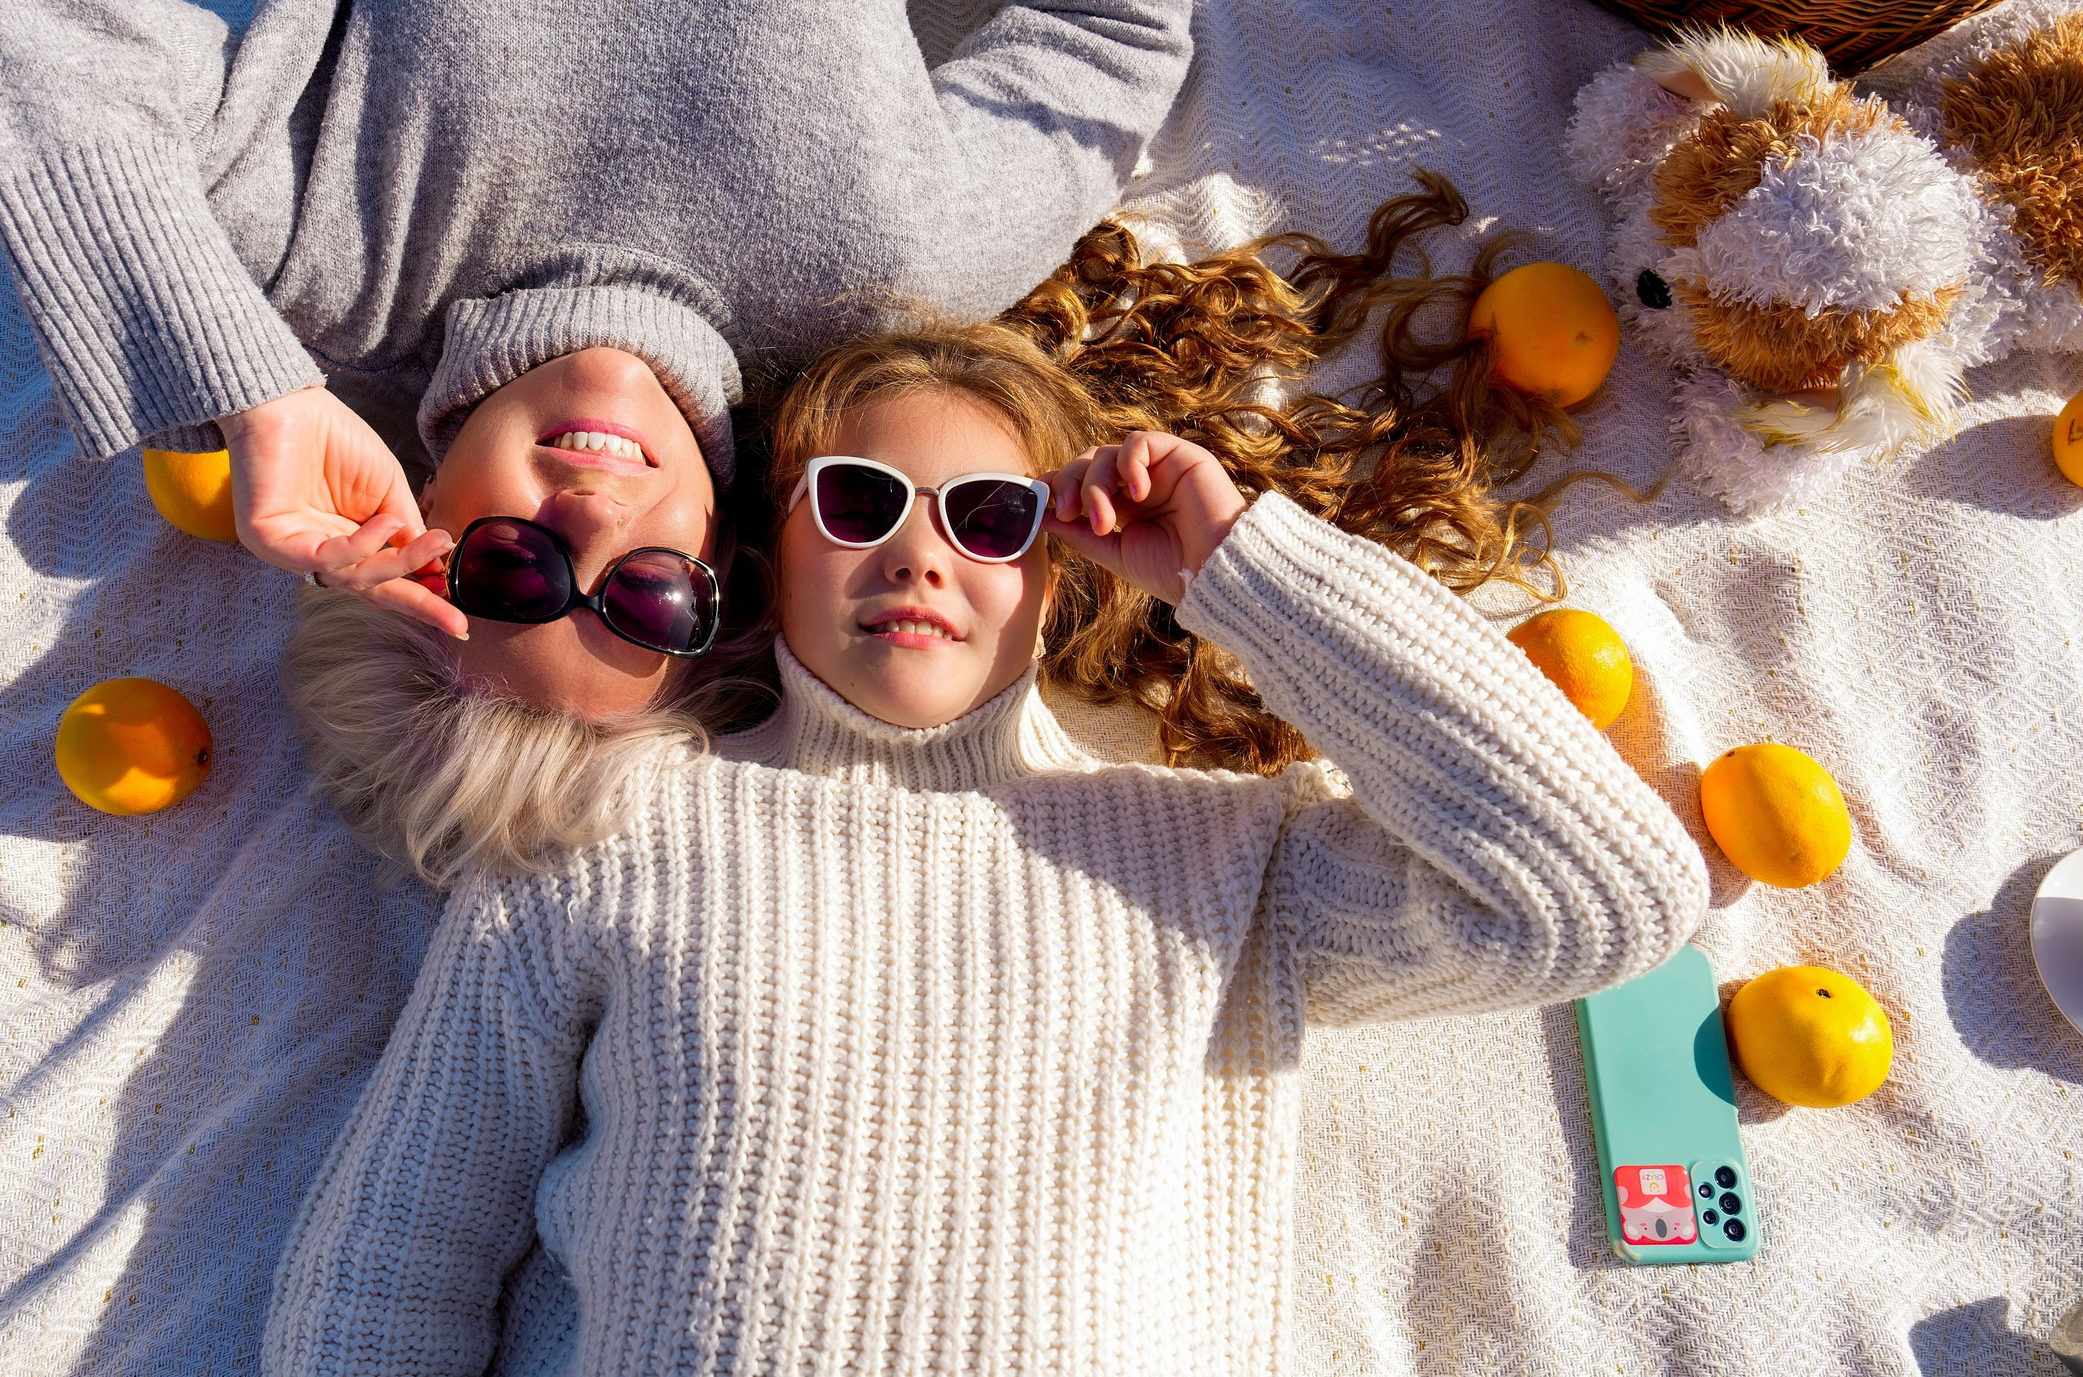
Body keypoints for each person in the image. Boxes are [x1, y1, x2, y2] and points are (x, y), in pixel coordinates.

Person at [264, 307, 1707, 1374]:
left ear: (1060, 581)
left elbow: (1604, 900)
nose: (919, 552)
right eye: (859, 499)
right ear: (771, 563)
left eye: (993, 518)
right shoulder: (623, 821)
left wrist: (1241, 570)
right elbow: (400, 1245)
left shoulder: (1221, 862)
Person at [0, 0, 1194, 718]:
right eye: (645, 601)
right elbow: (1119, 28)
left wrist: (249, 385)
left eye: (510, 574)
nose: (590, 524)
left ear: (410, 536)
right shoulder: (880, 272)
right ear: (724, 578)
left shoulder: (326, 262)